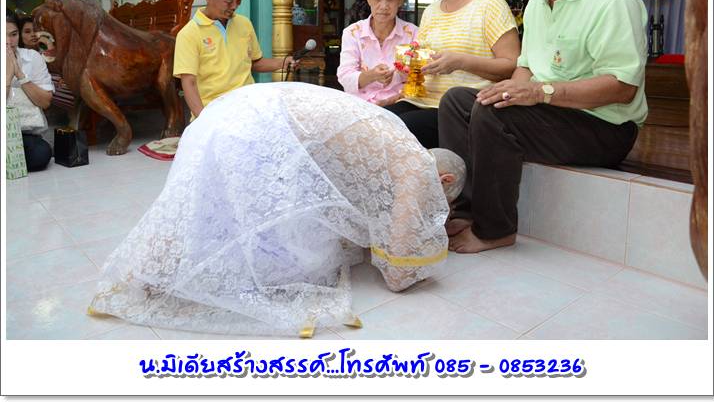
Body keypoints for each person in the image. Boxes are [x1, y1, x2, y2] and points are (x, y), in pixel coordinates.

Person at [88, 82, 466, 337]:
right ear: (443, 180)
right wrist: (428, 242)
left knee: (206, 215)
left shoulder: (395, 139)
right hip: (255, 129)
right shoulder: (417, 164)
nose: (431, 209)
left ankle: (145, 274)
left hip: (232, 112)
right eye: (439, 204)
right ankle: (161, 277)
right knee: (264, 247)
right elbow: (400, 276)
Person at [439, 0, 648, 253]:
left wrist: (538, 92)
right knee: (458, 102)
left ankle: (495, 229)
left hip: (605, 127)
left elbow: (622, 88)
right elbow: (526, 65)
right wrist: (513, 89)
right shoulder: (538, 0)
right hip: (554, 113)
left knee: (491, 114)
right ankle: (466, 210)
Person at [385, 0, 520, 148]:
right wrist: (410, 65)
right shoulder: (431, 11)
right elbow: (422, 60)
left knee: (398, 130)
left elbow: (511, 66)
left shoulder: (490, 5)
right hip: (421, 101)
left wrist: (460, 62)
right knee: (375, 121)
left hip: (461, 110)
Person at [173, 0, 294, 118]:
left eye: (239, 0)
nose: (235, 6)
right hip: (214, 112)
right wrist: (204, 119)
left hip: (249, 107)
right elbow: (189, 83)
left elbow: (255, 63)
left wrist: (283, 62)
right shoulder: (189, 34)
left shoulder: (244, 24)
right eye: (229, 1)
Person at [337, 0, 418, 106]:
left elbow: (419, 79)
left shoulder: (413, 34)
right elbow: (345, 77)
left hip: (399, 106)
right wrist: (371, 75)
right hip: (360, 106)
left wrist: (392, 100)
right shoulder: (353, 32)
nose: (384, 6)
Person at [5, 9, 53, 172]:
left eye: (13, 34)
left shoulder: (32, 57)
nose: (9, 42)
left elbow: (45, 102)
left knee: (41, 154)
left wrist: (20, 75)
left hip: (23, 131)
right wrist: (7, 78)